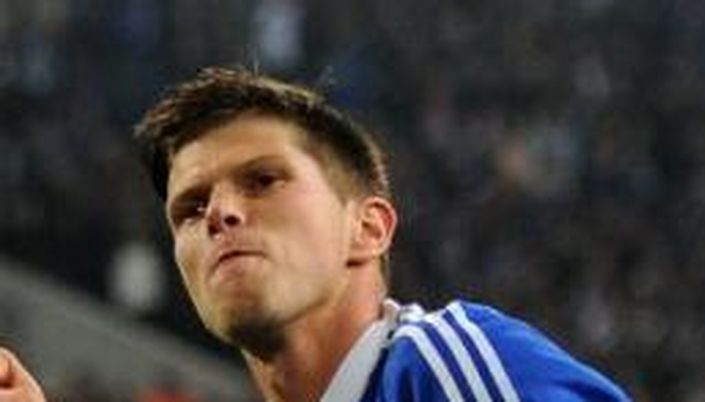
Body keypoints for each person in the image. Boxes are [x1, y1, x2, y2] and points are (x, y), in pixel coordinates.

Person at [0, 67, 631, 402]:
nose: (218, 213)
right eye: (190, 209)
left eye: (262, 180)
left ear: (368, 229)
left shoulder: (442, 368)